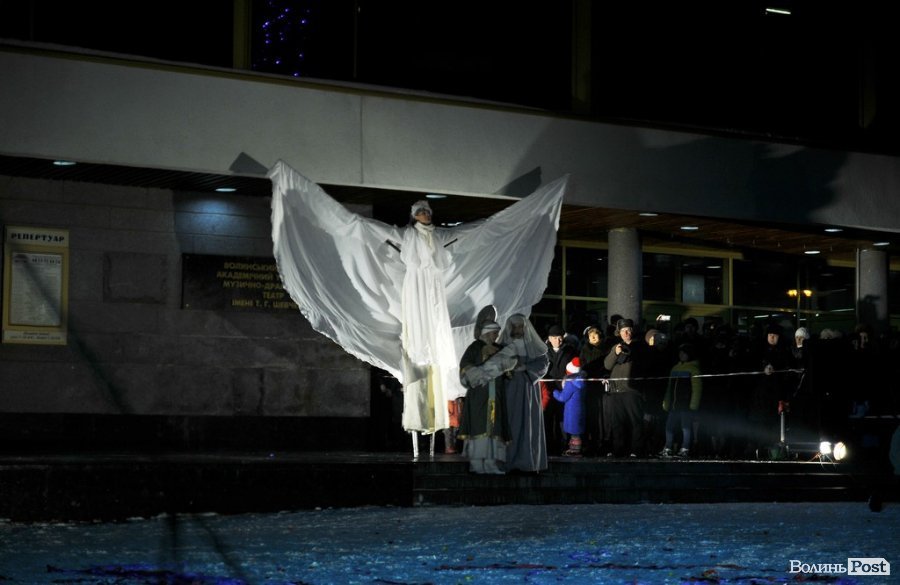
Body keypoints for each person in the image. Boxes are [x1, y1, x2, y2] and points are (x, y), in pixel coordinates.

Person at [496, 313, 550, 472]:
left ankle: (526, 461)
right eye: (515, 327)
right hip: (508, 391)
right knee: (510, 424)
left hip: (528, 392)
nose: (517, 330)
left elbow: (543, 364)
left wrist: (526, 368)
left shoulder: (533, 345)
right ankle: (506, 460)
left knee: (528, 425)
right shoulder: (502, 346)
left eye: (520, 326)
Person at [458, 320, 509, 474]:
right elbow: (466, 368)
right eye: (494, 333)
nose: (496, 336)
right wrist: (484, 362)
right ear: (486, 333)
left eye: (497, 333)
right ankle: (476, 464)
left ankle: (491, 463)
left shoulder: (499, 348)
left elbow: (508, 367)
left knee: (494, 430)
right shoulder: (475, 347)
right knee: (479, 429)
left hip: (495, 396)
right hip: (479, 397)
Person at [603, 318, 646, 457]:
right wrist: (615, 353)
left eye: (628, 330)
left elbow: (643, 364)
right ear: (619, 333)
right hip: (616, 390)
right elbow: (607, 365)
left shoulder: (640, 346)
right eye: (623, 331)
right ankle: (618, 449)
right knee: (617, 422)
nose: (626, 333)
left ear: (632, 331)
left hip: (632, 390)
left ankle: (636, 450)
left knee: (635, 421)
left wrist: (630, 352)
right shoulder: (616, 347)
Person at [660, 344, 703, 459]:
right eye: (680, 353)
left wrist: (693, 404)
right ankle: (668, 447)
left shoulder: (693, 369)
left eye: (684, 353)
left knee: (686, 427)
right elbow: (669, 387)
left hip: (686, 404)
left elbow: (697, 388)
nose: (681, 355)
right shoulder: (675, 368)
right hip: (674, 404)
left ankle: (685, 448)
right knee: (669, 426)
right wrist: (666, 402)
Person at [541, 325, 577, 456]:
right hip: (548, 391)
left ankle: (564, 446)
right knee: (548, 419)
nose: (558, 340)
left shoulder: (570, 350)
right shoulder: (543, 351)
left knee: (563, 419)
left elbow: (575, 368)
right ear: (550, 338)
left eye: (560, 337)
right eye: (555, 338)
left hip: (564, 390)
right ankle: (549, 447)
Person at [579, 325, 609, 456]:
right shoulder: (584, 349)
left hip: (600, 386)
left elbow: (606, 365)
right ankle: (588, 441)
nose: (593, 337)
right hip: (588, 386)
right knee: (589, 414)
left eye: (595, 335)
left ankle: (601, 441)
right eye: (591, 336)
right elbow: (582, 364)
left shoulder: (604, 349)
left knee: (601, 415)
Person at [553, 357, 587, 456]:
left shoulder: (571, 383)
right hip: (580, 410)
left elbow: (563, 397)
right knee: (576, 433)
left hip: (572, 411)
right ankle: (575, 449)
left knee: (574, 434)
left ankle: (575, 451)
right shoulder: (581, 381)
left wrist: (555, 392)